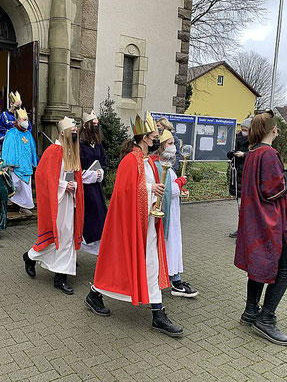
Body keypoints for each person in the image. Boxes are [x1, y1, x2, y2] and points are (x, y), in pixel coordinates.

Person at [85, 112, 183, 337]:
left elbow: (144, 187)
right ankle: (97, 294)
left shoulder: (147, 160)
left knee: (148, 264)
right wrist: (151, 190)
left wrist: (155, 190)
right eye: (155, 135)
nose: (157, 138)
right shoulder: (131, 160)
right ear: (145, 138)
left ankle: (157, 313)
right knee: (125, 263)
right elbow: (125, 192)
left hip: (147, 222)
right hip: (132, 222)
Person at [235, 111, 287, 346]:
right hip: (270, 223)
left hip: (257, 220)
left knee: (259, 265)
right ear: (273, 129)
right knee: (286, 268)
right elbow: (273, 190)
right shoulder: (268, 154)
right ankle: (265, 318)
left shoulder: (252, 153)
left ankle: (251, 311)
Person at [23, 116, 84, 295]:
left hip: (69, 201)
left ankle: (60, 277)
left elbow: (75, 175)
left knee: (67, 239)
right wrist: (64, 186)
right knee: (58, 238)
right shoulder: (53, 151)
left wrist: (74, 187)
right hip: (57, 201)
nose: (75, 135)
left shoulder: (72, 151)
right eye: (72, 132)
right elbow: (44, 177)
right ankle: (31, 257)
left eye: (76, 132)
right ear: (62, 133)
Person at [153, 130, 198, 298]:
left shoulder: (168, 164)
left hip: (173, 211)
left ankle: (174, 279)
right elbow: (166, 190)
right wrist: (180, 182)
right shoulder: (158, 164)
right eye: (170, 144)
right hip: (166, 214)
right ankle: (174, 281)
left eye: (174, 143)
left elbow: (173, 189)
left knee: (174, 244)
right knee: (170, 245)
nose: (174, 147)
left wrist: (181, 190)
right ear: (162, 146)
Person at [78, 110, 107, 255]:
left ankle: (100, 250)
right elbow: (76, 167)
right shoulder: (79, 144)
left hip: (96, 187)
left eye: (97, 124)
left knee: (100, 217)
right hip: (83, 189)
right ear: (85, 125)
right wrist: (90, 175)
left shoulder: (97, 143)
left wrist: (100, 172)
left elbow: (103, 162)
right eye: (93, 124)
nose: (96, 126)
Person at [1, 108, 38, 216]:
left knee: (25, 187)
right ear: (17, 121)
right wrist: (9, 164)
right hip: (15, 166)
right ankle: (10, 201)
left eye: (27, 119)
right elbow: (8, 149)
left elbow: (32, 148)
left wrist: (33, 161)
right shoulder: (12, 133)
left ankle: (24, 206)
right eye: (23, 119)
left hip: (26, 166)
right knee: (14, 185)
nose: (26, 122)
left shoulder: (28, 134)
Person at [227, 117, 252, 238]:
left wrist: (244, 155)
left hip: (246, 176)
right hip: (238, 175)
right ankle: (241, 228)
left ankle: (245, 231)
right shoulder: (238, 139)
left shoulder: (254, 142)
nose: (243, 132)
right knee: (240, 205)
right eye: (242, 129)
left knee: (245, 207)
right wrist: (232, 154)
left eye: (245, 129)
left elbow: (255, 156)